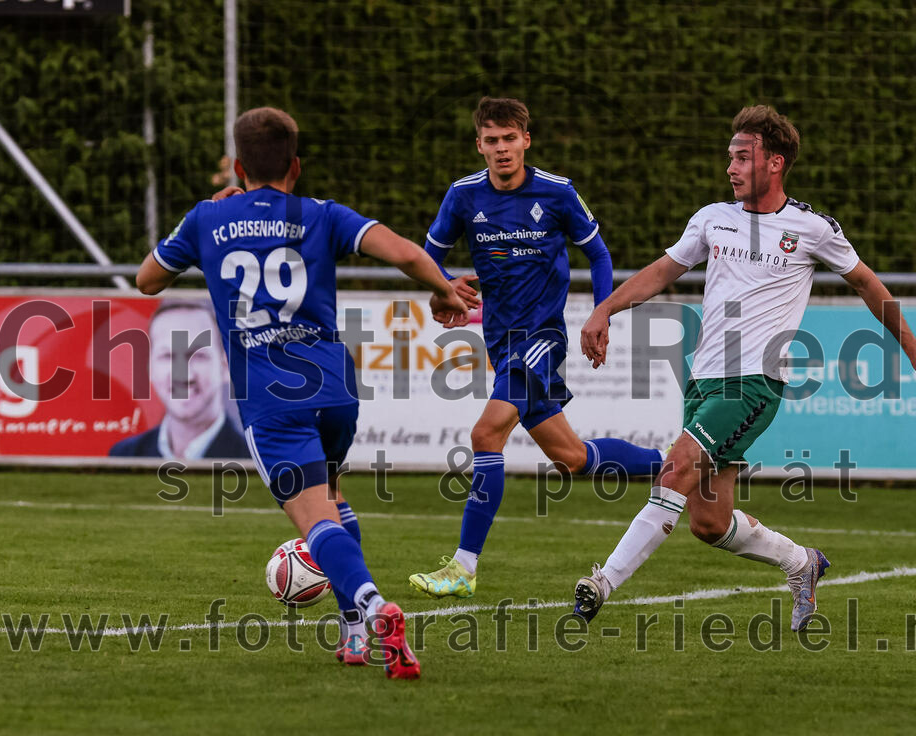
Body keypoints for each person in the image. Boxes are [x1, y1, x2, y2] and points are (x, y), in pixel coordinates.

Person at [570, 105, 916, 631]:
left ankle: (602, 582)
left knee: (675, 470)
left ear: (775, 162)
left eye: (742, 158)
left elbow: (866, 283)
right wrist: (605, 309)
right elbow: (661, 271)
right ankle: (801, 562)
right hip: (703, 381)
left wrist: (913, 349)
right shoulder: (711, 218)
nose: (731, 167)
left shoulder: (812, 228)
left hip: (754, 385)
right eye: (730, 157)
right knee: (708, 522)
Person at [136, 106, 468, 678]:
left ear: (239, 167)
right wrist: (445, 290)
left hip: (271, 396)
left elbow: (147, 280)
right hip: (334, 387)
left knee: (316, 521)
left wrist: (206, 217)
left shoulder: (207, 219)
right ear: (296, 166)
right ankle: (353, 635)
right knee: (332, 495)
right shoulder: (323, 214)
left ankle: (374, 609)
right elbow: (408, 253)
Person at [409, 97, 664, 599]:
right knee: (572, 457)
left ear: (526, 140)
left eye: (510, 138)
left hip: (541, 339)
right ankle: (674, 462)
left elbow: (598, 254)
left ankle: (463, 567)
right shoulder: (463, 196)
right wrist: (443, 285)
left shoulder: (557, 192)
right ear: (479, 145)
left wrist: (601, 313)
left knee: (486, 434)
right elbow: (426, 258)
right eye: (492, 140)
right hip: (501, 343)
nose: (502, 148)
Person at [109, 300, 250, 459]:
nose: (184, 374)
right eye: (168, 356)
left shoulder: (254, 461)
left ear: (225, 366)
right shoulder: (124, 455)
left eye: (198, 355)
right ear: (150, 367)